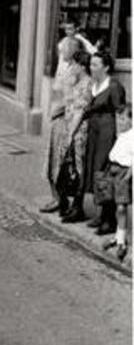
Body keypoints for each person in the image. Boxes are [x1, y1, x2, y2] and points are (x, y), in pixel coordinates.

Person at [41, 41, 91, 218]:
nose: (71, 66)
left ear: (82, 66)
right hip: (66, 124)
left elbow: (79, 111)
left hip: (77, 130)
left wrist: (70, 133)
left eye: (74, 64)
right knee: (59, 165)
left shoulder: (86, 84)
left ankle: (76, 207)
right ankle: (61, 200)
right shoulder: (75, 80)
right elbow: (64, 99)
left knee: (75, 168)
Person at [80, 51, 126, 235]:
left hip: (107, 133)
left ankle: (110, 219)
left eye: (96, 65)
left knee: (104, 172)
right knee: (94, 170)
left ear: (106, 67)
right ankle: (101, 214)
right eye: (91, 64)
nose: (92, 68)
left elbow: (121, 115)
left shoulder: (114, 86)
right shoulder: (94, 84)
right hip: (94, 132)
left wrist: (121, 141)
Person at [102, 109, 132, 262]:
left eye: (123, 119)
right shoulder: (121, 135)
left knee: (121, 207)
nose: (120, 122)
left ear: (131, 120)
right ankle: (118, 236)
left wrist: (129, 174)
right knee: (114, 205)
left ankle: (122, 242)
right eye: (118, 118)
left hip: (123, 171)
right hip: (112, 169)